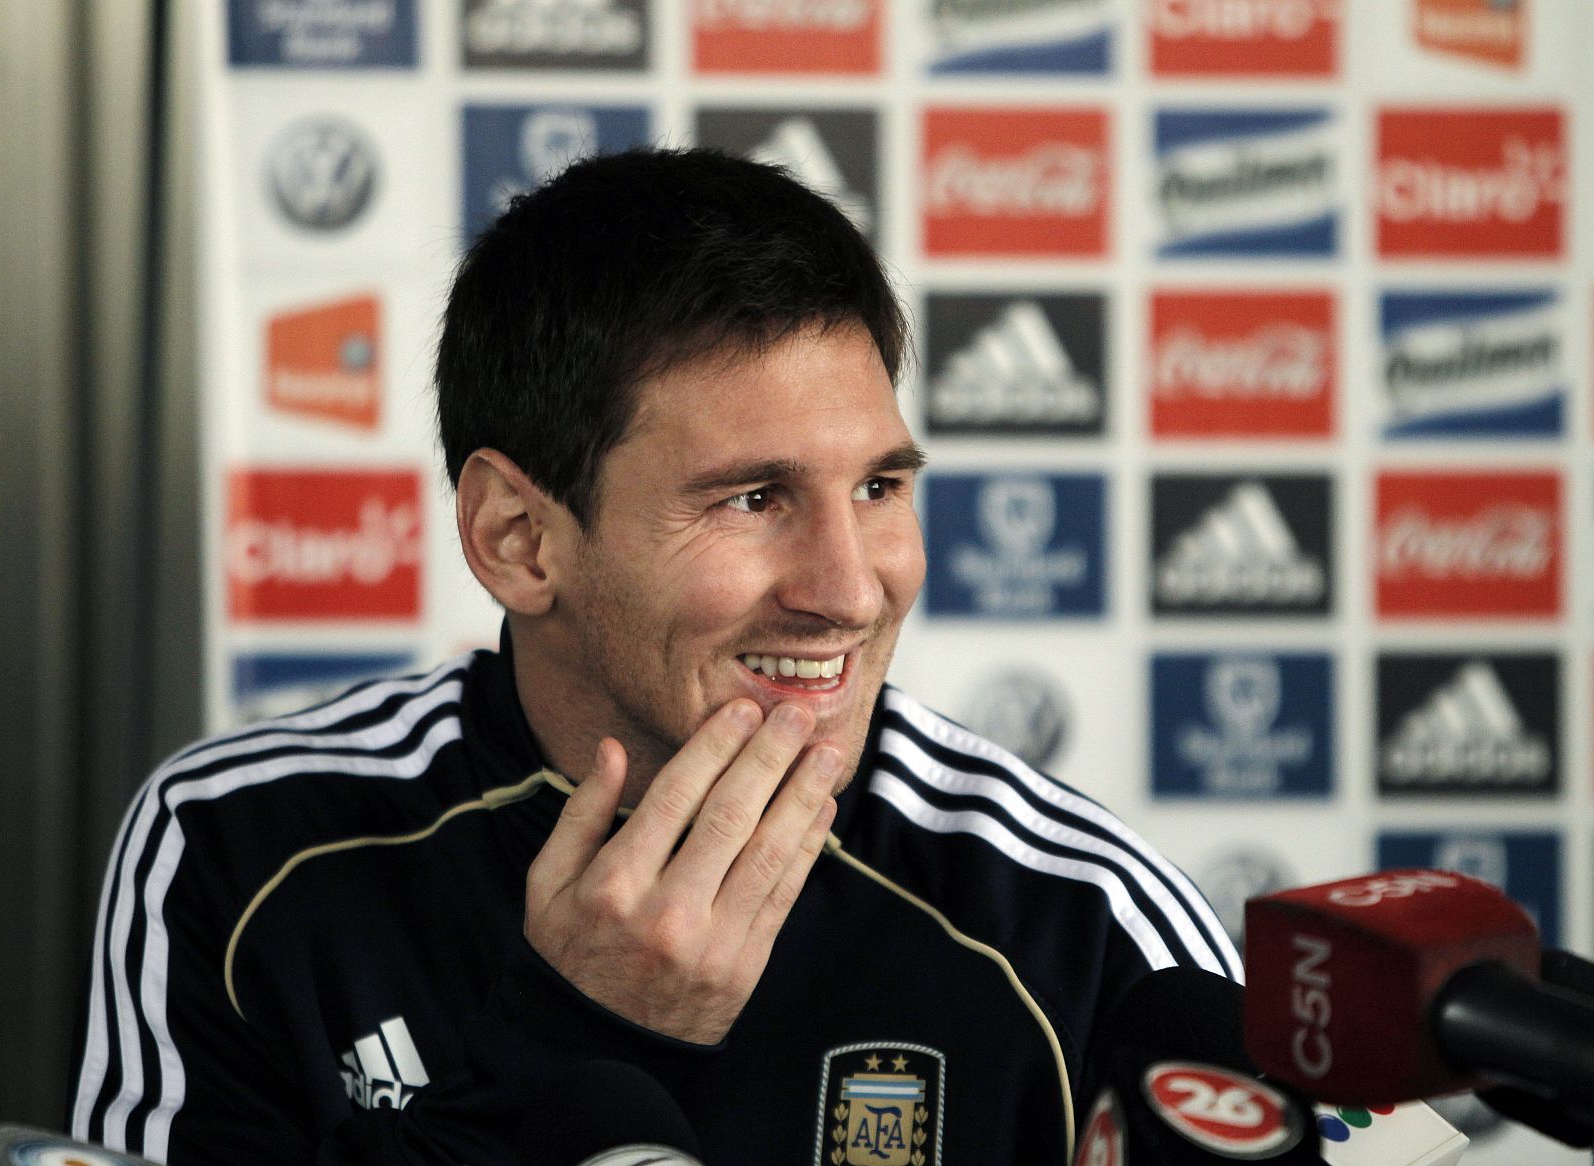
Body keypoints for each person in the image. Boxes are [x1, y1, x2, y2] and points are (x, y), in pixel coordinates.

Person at [68, 147, 1240, 1165]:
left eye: (879, 486)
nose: (849, 589)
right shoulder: (235, 847)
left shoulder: (1079, 915)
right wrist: (573, 1037)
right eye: (752, 498)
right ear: (518, 537)